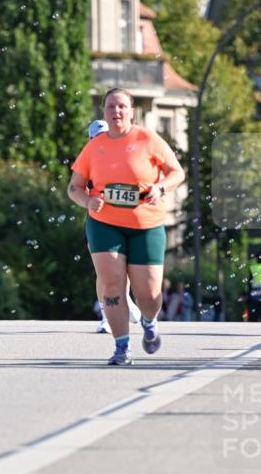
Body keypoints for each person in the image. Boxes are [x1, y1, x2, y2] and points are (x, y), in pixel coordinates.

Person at [68, 88, 185, 365]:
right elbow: (74, 187)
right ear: (104, 111)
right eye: (111, 107)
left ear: (131, 110)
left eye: (121, 106)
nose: (116, 112)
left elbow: (176, 172)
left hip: (147, 223)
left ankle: (149, 320)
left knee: (149, 293)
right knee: (111, 285)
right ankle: (121, 347)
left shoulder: (148, 139)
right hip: (104, 224)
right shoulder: (94, 146)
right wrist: (86, 201)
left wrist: (160, 187)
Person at [87, 119, 141, 335]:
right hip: (99, 223)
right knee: (104, 272)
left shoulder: (127, 158)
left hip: (125, 221)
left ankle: (124, 301)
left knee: (122, 272)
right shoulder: (87, 162)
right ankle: (105, 316)